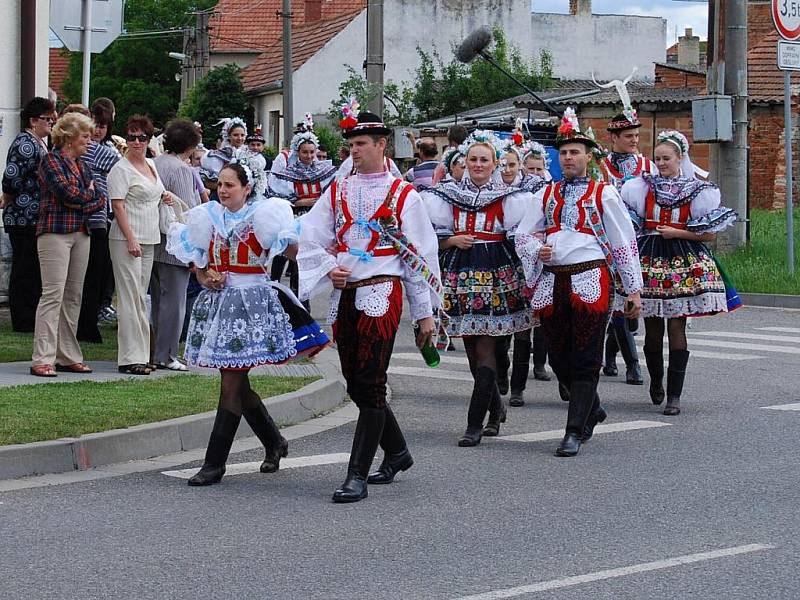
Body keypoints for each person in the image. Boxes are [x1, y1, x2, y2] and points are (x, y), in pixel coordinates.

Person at [298, 110, 441, 503]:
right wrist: (330, 267)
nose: (354, 150)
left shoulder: (404, 195)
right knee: (354, 377)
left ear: (382, 145)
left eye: (361, 143)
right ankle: (397, 451)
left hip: (384, 289)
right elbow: (310, 235)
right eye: (351, 144)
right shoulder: (339, 189)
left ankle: (356, 474)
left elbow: (419, 258)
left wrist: (425, 313)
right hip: (346, 294)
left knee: (372, 378)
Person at [167, 161, 329, 486]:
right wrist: (205, 276)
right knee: (237, 383)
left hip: (253, 307)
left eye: (230, 185)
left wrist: (328, 265)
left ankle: (214, 463)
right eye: (220, 185)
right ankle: (274, 441)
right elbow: (197, 261)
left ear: (247, 188)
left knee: (231, 382)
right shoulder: (208, 217)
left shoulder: (264, 217)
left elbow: (295, 250)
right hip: (220, 306)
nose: (222, 191)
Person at [515, 108, 643, 457]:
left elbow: (623, 241)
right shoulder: (545, 194)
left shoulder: (604, 194)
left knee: (586, 356)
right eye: (564, 152)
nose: (568, 157)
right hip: (552, 279)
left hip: (590, 276)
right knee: (558, 356)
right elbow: (521, 235)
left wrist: (633, 289)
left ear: (589, 156)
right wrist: (535, 248)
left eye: (575, 152)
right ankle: (592, 408)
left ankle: (573, 431)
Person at [422, 130, 536, 445]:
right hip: (459, 273)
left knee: (485, 347)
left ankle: (474, 425)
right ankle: (496, 408)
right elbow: (431, 237)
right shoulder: (447, 196)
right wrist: (451, 240)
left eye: (484, 159)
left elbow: (521, 236)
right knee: (472, 348)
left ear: (496, 163)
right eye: (472, 159)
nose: (478, 164)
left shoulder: (510, 198)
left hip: (495, 275)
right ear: (464, 161)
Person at [620, 130, 737, 416]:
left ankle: (674, 395)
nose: (661, 163)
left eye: (666, 158)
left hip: (681, 261)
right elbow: (629, 225)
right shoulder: (640, 188)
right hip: (648, 259)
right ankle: (656, 381)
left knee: (676, 326)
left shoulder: (698, 191)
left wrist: (677, 232)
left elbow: (708, 235)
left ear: (680, 158)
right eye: (657, 158)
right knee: (652, 329)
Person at [30, 112, 106, 377]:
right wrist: (86, 197)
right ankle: (43, 357)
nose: (89, 140)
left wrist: (83, 199)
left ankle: (67, 355)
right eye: (85, 136)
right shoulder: (50, 160)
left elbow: (100, 200)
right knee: (53, 294)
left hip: (81, 233)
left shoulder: (83, 165)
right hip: (54, 232)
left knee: (73, 296)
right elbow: (66, 193)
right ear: (70, 137)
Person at [107, 115, 171, 375]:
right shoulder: (120, 170)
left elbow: (157, 192)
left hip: (150, 237)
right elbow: (118, 206)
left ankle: (144, 354)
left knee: (141, 298)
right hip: (126, 239)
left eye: (141, 137)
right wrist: (130, 238)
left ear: (148, 139)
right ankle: (131, 357)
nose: (136, 141)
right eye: (131, 137)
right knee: (130, 297)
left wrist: (164, 196)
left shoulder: (151, 166)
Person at [599, 104, 654, 386]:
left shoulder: (647, 167)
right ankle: (633, 365)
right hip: (610, 243)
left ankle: (611, 354)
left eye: (636, 135)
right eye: (628, 136)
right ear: (613, 138)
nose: (634, 140)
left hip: (641, 242)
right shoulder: (601, 167)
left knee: (630, 306)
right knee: (618, 302)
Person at [492, 143, 549, 408]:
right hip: (495, 263)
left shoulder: (532, 193)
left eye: (512, 164)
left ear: (520, 167)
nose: (506, 169)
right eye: (502, 164)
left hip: (524, 263)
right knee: (499, 329)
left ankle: (518, 388)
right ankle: (502, 371)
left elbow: (541, 224)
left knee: (524, 327)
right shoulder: (487, 192)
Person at [268, 114, 337, 302]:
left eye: (312, 152)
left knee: (304, 261)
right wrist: (306, 202)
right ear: (297, 152)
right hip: (295, 219)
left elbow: (331, 196)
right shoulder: (287, 173)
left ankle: (302, 300)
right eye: (305, 152)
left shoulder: (323, 171)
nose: (308, 156)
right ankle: (275, 286)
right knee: (286, 254)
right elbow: (282, 200)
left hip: (314, 222)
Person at [151, 119, 202, 371]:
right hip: (174, 243)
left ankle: (156, 350)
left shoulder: (156, 162)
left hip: (155, 240)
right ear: (190, 146)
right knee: (174, 301)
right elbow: (187, 210)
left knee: (159, 300)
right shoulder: (181, 169)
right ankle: (167, 353)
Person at [2, 96, 54, 332]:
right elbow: (11, 179)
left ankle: (30, 314)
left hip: (35, 215)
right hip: (23, 215)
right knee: (24, 268)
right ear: (33, 121)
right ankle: (22, 319)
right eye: (47, 119)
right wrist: (12, 198)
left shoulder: (39, 143)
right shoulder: (25, 143)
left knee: (33, 268)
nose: (51, 123)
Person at [75, 103, 121, 343]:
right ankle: (87, 325)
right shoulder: (98, 151)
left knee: (89, 276)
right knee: (94, 276)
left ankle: (85, 322)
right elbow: (120, 165)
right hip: (95, 219)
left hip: (93, 217)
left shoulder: (81, 150)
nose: (96, 132)